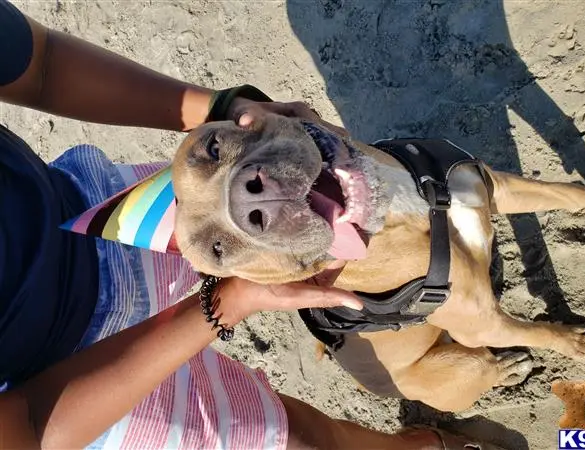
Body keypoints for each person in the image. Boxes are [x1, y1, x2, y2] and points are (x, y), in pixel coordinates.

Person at [0, 1, 498, 449]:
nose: (253, 192)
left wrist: (227, 111)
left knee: (337, 241)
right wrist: (230, 301)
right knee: (301, 440)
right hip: (60, 390)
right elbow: (32, 426)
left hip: (103, 214)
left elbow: (39, 64)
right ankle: (424, 446)